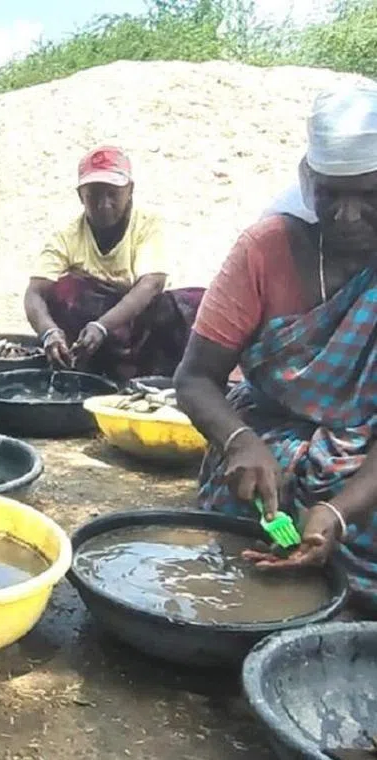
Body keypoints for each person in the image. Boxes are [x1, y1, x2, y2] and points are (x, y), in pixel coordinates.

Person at [175, 83, 377, 605]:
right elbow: (195, 377)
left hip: (368, 452)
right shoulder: (264, 250)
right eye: (332, 193)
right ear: (311, 184)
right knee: (256, 505)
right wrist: (239, 441)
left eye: (370, 196)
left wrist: (338, 511)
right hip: (269, 429)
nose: (348, 215)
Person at [24, 146, 204, 381]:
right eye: (94, 194)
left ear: (130, 191)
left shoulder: (148, 224)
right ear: (81, 196)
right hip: (91, 334)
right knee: (64, 289)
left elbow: (152, 284)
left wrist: (103, 326)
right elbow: (35, 292)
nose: (104, 203)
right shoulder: (66, 236)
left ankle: (172, 376)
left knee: (199, 302)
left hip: (140, 320)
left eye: (113, 193)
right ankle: (83, 368)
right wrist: (49, 332)